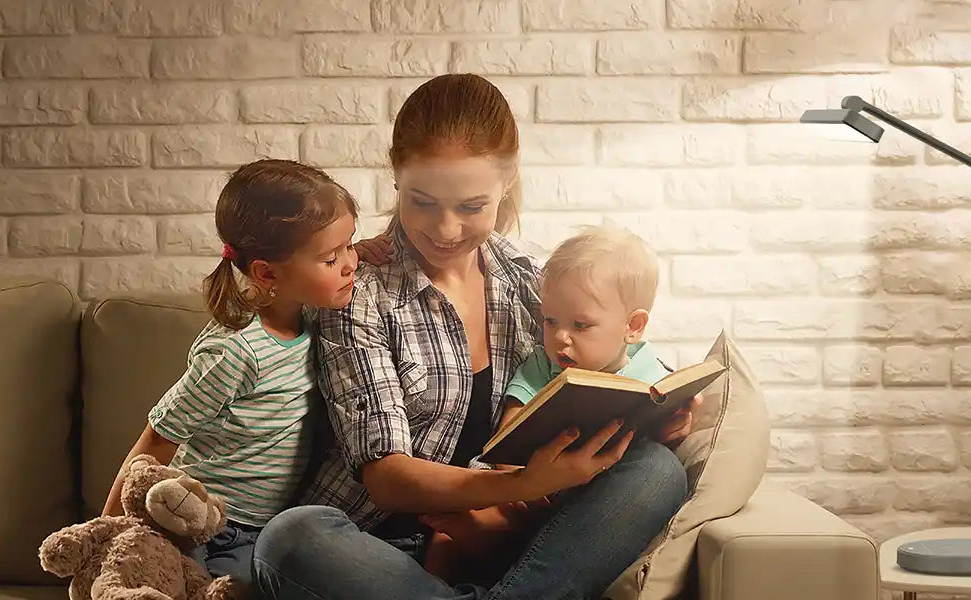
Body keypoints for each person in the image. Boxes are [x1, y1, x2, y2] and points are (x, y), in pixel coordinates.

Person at [250, 73, 696, 600]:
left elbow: (598, 374)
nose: (444, 230)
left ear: (505, 185)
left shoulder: (533, 284)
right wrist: (526, 484)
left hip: (519, 543)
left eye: (470, 207)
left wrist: (654, 416)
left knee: (657, 471)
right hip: (385, 552)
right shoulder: (356, 292)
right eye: (422, 201)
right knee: (291, 538)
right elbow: (387, 478)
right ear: (395, 176)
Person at [101, 159, 361, 585]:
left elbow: (336, 255)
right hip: (203, 526)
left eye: (351, 245)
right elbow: (159, 435)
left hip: (262, 530)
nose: (351, 263)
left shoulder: (314, 312)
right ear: (266, 272)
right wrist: (108, 533)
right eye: (334, 257)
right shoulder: (236, 351)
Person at [417, 224, 672, 580]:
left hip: (592, 499)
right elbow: (512, 423)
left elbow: (669, 427)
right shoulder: (543, 363)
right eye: (550, 321)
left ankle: (497, 542)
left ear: (633, 326)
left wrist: (681, 416)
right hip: (530, 487)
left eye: (580, 326)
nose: (560, 338)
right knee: (461, 523)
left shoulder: (650, 372)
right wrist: (517, 478)